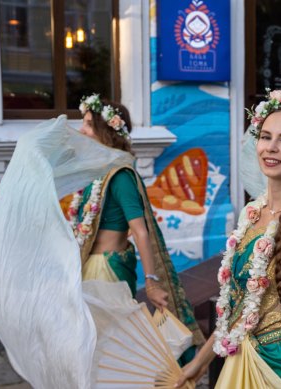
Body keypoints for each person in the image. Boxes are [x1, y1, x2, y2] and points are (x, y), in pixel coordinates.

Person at [175, 90, 281, 388]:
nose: (270, 148)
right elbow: (236, 305)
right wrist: (199, 363)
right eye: (266, 136)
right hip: (238, 364)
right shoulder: (252, 214)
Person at [74, 94, 205, 352]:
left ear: (105, 130)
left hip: (106, 272)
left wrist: (152, 283)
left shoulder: (120, 175)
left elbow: (140, 232)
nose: (82, 130)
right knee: (93, 346)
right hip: (90, 268)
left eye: (89, 124)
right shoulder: (96, 173)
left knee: (110, 346)